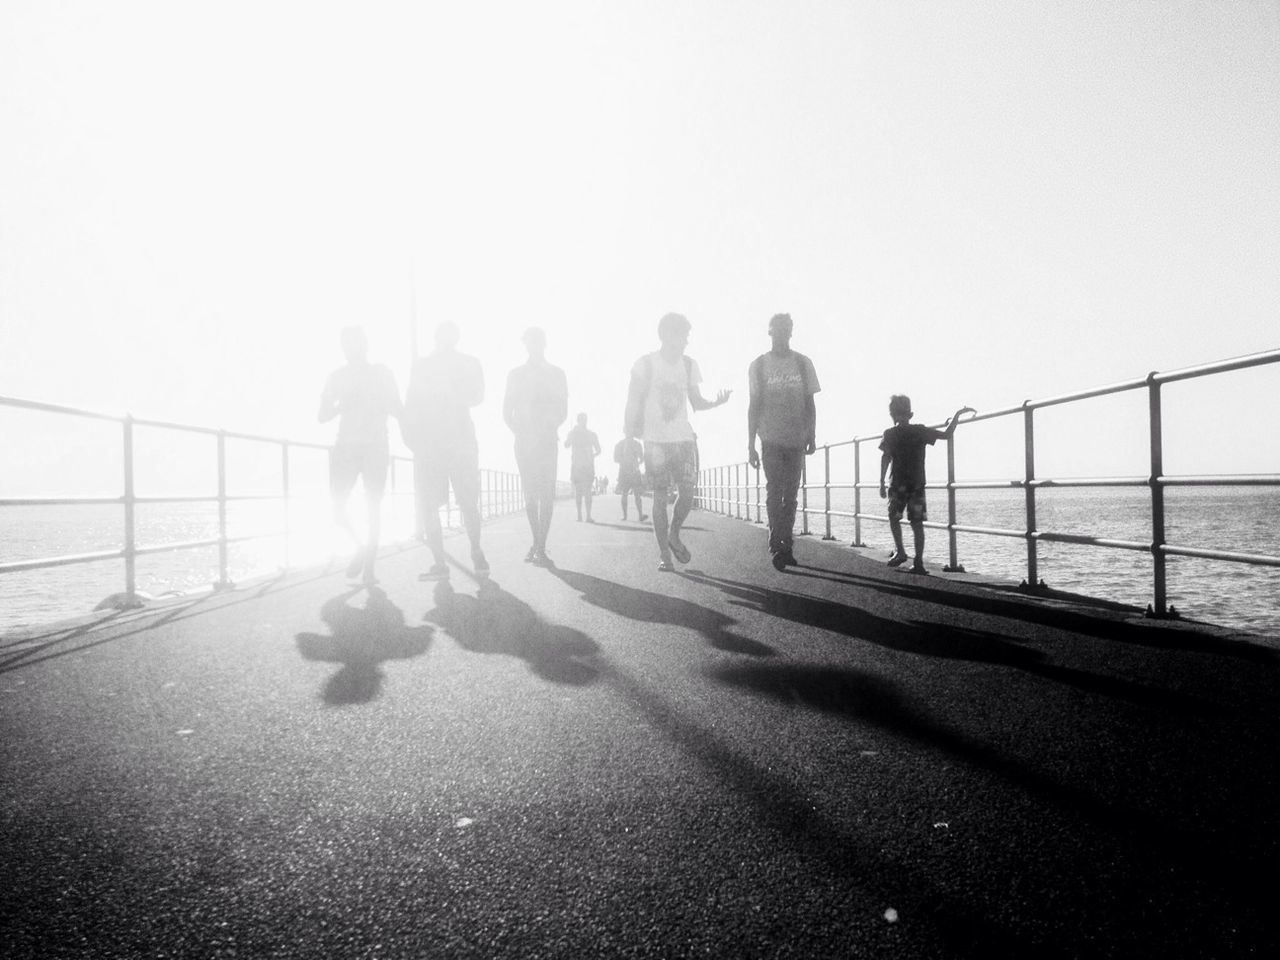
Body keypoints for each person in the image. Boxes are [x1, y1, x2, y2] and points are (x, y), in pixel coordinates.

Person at [624, 312, 731, 571]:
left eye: (686, 337)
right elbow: (632, 402)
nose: (685, 341)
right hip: (655, 442)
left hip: (683, 439)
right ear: (665, 336)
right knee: (660, 497)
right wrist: (628, 439)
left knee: (688, 492)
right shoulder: (645, 364)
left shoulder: (689, 365)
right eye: (681, 336)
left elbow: (696, 402)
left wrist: (716, 401)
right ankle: (664, 554)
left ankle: (674, 534)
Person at [401, 321, 489, 580]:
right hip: (434, 443)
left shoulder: (466, 363)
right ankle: (445, 561)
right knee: (434, 504)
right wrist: (411, 439)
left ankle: (473, 552)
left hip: (453, 442)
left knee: (464, 501)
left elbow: (478, 396)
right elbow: (410, 404)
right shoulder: (424, 365)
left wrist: (452, 393)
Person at [318, 326, 402, 586]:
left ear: (366, 345)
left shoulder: (382, 373)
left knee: (373, 507)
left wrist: (385, 405)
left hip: (376, 447)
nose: (350, 349)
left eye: (355, 343)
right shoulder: (337, 377)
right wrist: (343, 405)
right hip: (346, 447)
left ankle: (369, 569)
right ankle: (360, 547)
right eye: (346, 345)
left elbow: (398, 408)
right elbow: (321, 416)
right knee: (336, 506)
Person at [746, 313, 820, 571]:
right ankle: (778, 543)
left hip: (796, 438)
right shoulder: (758, 365)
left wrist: (812, 434)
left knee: (791, 495)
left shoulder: (803, 363)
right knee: (774, 491)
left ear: (791, 332)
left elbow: (811, 403)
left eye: (786, 329)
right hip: (770, 438)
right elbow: (753, 406)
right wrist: (750, 444)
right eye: (777, 330)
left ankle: (785, 542)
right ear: (770, 332)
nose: (781, 334)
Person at [878, 395, 975, 574]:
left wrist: (881, 482)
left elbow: (885, 457)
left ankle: (900, 552)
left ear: (892, 414)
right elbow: (947, 434)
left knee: (894, 518)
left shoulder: (889, 434)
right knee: (917, 523)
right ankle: (919, 562)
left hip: (898, 483)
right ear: (911, 414)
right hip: (916, 483)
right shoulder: (920, 431)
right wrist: (957, 415)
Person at [502, 327, 568, 565]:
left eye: (538, 342)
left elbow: (563, 410)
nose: (535, 346)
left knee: (547, 493)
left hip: (548, 439)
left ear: (545, 344)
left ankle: (540, 546)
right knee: (530, 494)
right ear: (525, 345)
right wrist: (520, 432)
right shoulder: (515, 374)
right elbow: (506, 411)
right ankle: (537, 542)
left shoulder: (557, 374)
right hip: (524, 442)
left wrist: (549, 427)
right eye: (531, 342)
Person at [564, 413, 601, 522]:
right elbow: (599, 450)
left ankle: (579, 516)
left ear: (577, 421)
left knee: (578, 491)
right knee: (588, 491)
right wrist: (591, 456)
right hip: (588, 465)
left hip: (576, 465)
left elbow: (566, 445)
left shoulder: (573, 433)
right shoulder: (592, 434)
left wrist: (571, 433)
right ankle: (588, 516)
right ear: (586, 420)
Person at [613, 435, 647, 522]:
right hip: (633, 471)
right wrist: (636, 463)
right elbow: (642, 458)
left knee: (625, 493)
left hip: (624, 470)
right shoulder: (637, 444)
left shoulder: (619, 444)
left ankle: (625, 516)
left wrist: (624, 461)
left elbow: (615, 459)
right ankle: (639, 515)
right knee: (636, 494)